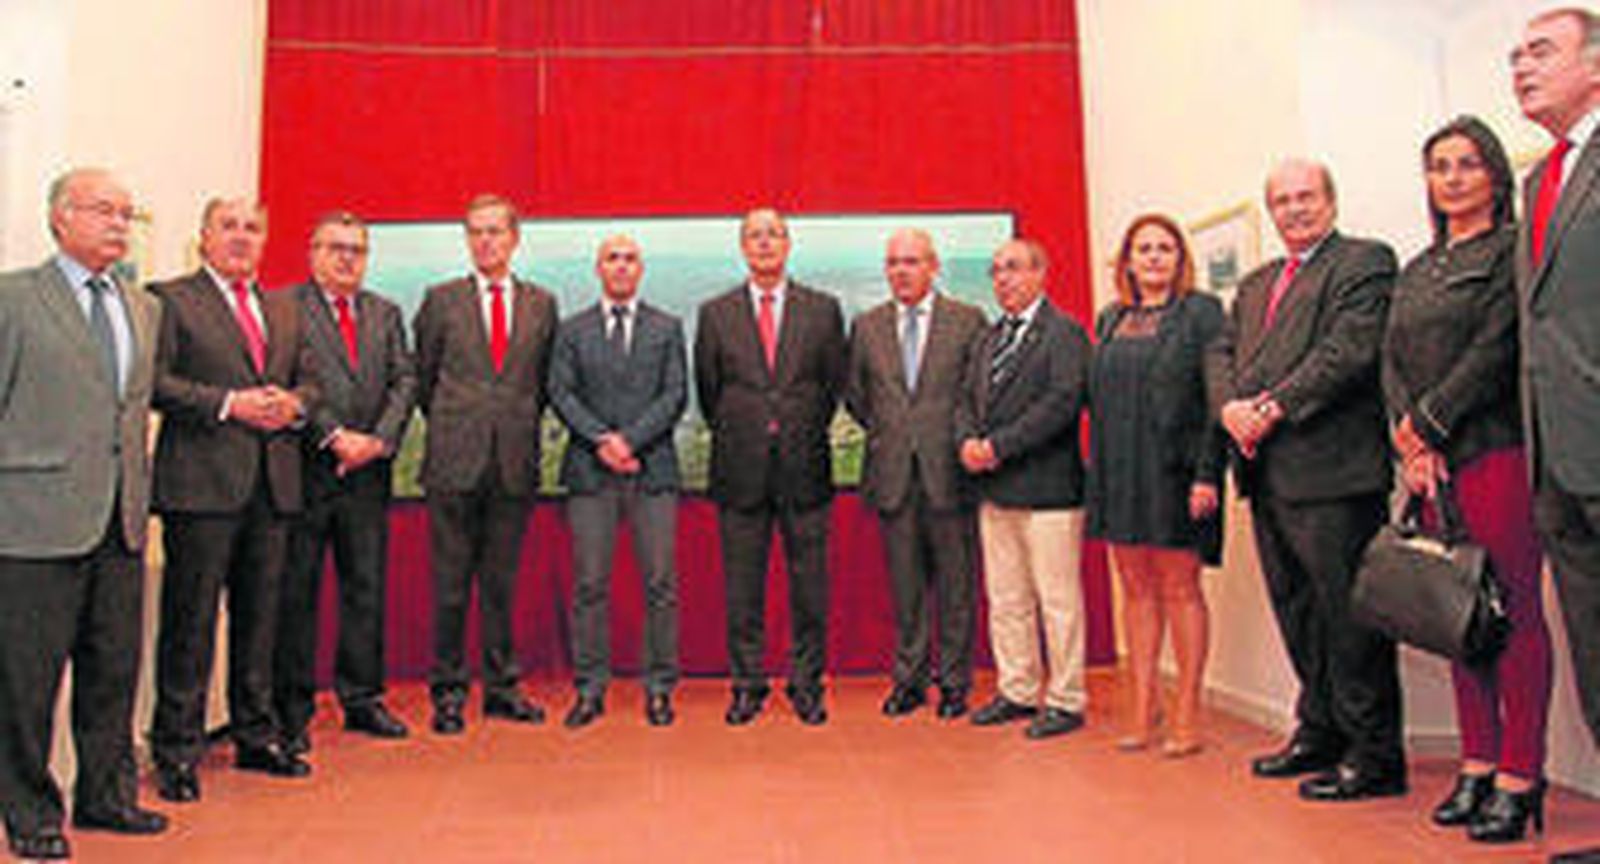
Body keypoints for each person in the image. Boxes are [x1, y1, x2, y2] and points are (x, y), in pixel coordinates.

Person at [1205, 159, 1402, 801]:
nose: (1294, 209)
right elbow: (1221, 353)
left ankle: (1372, 754)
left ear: (1331, 201)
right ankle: (1319, 730)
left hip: (1335, 472)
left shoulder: (1365, 263)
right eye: (1282, 200)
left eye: (1306, 197)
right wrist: (1229, 407)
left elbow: (1345, 352)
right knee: (1299, 612)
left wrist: (1269, 408)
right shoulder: (1259, 283)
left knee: (1350, 618)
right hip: (1267, 474)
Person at [1383, 116, 1553, 843]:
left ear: (1493, 176)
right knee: (1457, 619)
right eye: (1439, 166)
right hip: (1429, 468)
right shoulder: (1419, 267)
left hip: (1494, 453)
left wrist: (1431, 423)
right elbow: (1390, 358)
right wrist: (1409, 441)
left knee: (1510, 613)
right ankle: (1476, 763)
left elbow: (1494, 350)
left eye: (1467, 164)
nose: (1452, 177)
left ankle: (1521, 775)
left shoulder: (1511, 251)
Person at [0, 169, 167, 860]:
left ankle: (107, 795)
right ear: (60, 217)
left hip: (121, 520)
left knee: (112, 670)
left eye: (127, 213)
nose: (118, 224)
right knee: (26, 680)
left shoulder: (141, 307)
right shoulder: (14, 299)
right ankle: (31, 812)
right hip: (34, 523)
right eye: (104, 210)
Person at [150, 197, 318, 802]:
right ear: (204, 237)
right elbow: (156, 382)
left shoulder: (283, 308)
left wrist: (294, 404)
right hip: (201, 490)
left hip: (273, 488)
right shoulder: (171, 299)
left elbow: (310, 379)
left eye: (253, 228)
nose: (242, 238)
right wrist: (231, 404)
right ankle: (176, 750)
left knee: (260, 621)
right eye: (229, 227)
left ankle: (255, 734)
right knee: (190, 625)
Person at [694, 208, 846, 726]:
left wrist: (794, 425)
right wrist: (752, 427)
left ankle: (807, 684)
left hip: (805, 466)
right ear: (742, 247)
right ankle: (747, 684)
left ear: (788, 244)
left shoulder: (823, 310)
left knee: (809, 587)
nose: (764, 243)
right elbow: (710, 393)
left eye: (773, 234)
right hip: (740, 469)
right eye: (754, 235)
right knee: (743, 587)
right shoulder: (715, 313)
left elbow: (833, 386)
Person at [412, 194, 558, 735]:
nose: (486, 241)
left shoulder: (541, 303)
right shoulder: (441, 300)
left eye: (495, 231)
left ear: (514, 238)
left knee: (501, 584)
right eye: (476, 232)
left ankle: (502, 687)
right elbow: (426, 381)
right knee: (449, 585)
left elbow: (540, 384)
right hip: (453, 462)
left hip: (513, 463)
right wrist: (463, 425)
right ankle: (448, 693)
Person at [273, 211, 416, 755]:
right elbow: (285, 380)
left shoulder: (385, 312)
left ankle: (362, 699)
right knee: (298, 594)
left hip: (369, 475)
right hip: (308, 471)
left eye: (357, 250)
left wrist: (378, 441)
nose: (346, 258)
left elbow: (405, 380)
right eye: (336, 248)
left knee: (365, 588)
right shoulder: (286, 308)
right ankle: (294, 711)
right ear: (312, 252)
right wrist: (333, 436)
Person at [1509, 9, 1600, 861]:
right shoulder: (1537, 180)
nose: (1522, 67)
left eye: (1542, 51)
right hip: (1557, 461)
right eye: (1515, 56)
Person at [1086, 214, 1225, 757]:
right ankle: (1142, 709)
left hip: (1177, 474)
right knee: (1137, 592)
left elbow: (1216, 398)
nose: (1153, 257)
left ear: (1179, 258)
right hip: (1120, 471)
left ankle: (1187, 710)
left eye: (1164, 248)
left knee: (1180, 590)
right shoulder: (1111, 317)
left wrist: (1208, 472)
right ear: (1127, 260)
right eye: (1143, 248)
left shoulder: (1201, 313)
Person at [845, 228, 987, 720]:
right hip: (893, 477)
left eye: (910, 262)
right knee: (904, 590)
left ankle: (952, 683)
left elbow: (977, 395)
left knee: (955, 588)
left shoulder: (967, 321)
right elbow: (858, 397)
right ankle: (908, 681)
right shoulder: (867, 326)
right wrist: (894, 437)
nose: (900, 271)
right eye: (892, 263)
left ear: (933, 266)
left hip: (949, 474)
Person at [548, 235, 687, 728]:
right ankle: (589, 688)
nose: (622, 266)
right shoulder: (571, 329)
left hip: (653, 472)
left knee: (660, 584)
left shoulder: (667, 327)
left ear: (641, 268)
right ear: (598, 268)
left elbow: (675, 395)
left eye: (630, 259)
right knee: (589, 585)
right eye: (613, 258)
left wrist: (629, 442)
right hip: (590, 473)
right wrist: (602, 441)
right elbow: (560, 393)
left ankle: (660, 688)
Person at [959, 238, 1092, 740]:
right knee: (1007, 598)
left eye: (1013, 269)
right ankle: (1018, 689)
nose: (1003, 279)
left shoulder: (1064, 334)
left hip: (1049, 491)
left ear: (1041, 273)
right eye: (996, 271)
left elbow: (1061, 404)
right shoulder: (989, 337)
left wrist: (997, 446)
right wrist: (967, 442)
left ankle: (1065, 698)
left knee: (1056, 601)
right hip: (994, 490)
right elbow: (964, 400)